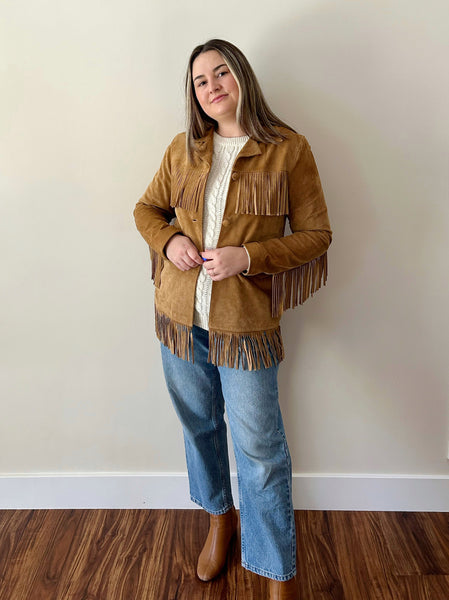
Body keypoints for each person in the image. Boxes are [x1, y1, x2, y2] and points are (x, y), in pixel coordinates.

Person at [134, 39, 331, 600]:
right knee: (200, 428)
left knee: (261, 450)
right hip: (179, 318)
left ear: (242, 77)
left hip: (245, 329)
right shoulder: (184, 150)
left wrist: (252, 257)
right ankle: (219, 518)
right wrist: (169, 240)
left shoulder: (289, 150)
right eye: (200, 80)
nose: (212, 85)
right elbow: (146, 209)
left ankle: (275, 572)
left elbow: (318, 235)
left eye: (221, 72)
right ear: (194, 96)